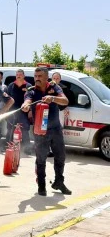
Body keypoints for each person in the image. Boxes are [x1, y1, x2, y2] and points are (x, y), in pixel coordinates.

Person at [22, 67, 72, 196]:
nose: (37, 78)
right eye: (35, 76)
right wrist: (25, 106)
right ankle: (42, 185)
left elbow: (65, 101)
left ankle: (59, 182)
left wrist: (53, 98)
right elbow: (27, 101)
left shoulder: (54, 88)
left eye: (39, 76)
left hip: (55, 129)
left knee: (60, 156)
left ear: (46, 77)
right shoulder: (31, 91)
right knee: (41, 159)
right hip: (40, 131)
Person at [6, 69, 32, 154]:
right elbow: (7, 98)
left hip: (23, 112)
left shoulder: (28, 85)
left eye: (20, 74)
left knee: (24, 130)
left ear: (24, 76)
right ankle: (8, 146)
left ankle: (27, 148)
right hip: (12, 111)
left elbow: (31, 98)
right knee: (10, 129)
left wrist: (30, 111)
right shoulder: (11, 85)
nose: (18, 76)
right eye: (17, 74)